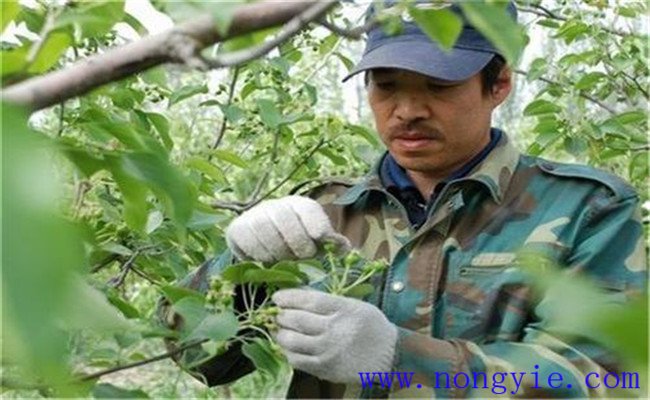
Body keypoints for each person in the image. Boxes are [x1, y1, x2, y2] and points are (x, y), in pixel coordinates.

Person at [159, 1, 647, 398]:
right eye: (387, 86)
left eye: (439, 85)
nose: (408, 110)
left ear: (498, 84)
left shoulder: (585, 210)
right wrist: (237, 269)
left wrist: (400, 356)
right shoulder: (325, 211)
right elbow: (197, 357)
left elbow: (601, 378)